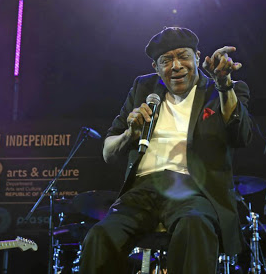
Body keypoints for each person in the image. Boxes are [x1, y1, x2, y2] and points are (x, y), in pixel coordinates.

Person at [80, 27, 253, 273]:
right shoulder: (143, 87)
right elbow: (108, 152)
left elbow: (241, 135)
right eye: (166, 60)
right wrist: (131, 134)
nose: (176, 65)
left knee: (195, 225)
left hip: (193, 189)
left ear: (197, 57)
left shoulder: (222, 89)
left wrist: (224, 84)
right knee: (99, 236)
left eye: (183, 56)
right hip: (142, 189)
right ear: (156, 67)